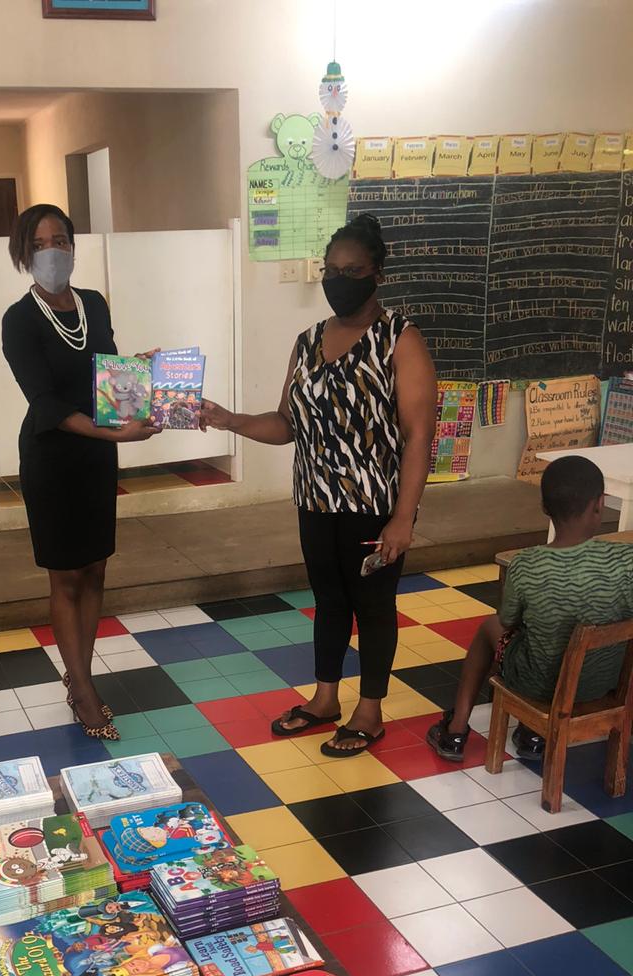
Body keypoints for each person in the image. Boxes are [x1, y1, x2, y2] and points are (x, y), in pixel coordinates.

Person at [201, 214, 437, 757]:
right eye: (331, 270)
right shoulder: (307, 342)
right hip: (314, 500)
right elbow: (288, 424)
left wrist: (404, 517)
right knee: (329, 602)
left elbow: (419, 437)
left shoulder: (401, 341)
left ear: (377, 272)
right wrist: (231, 419)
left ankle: (370, 712)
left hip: (374, 507)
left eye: (351, 270)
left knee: (373, 606)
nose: (338, 280)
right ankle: (325, 699)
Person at [1, 204, 160, 740]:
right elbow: (44, 401)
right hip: (52, 456)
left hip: (95, 456)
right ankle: (83, 686)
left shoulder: (93, 303)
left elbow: (106, 374)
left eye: (62, 240)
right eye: (42, 241)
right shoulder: (18, 319)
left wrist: (140, 372)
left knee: (94, 568)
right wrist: (107, 433)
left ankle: (80, 675)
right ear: (24, 251)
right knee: (65, 574)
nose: (54, 250)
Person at [427, 456, 633, 761]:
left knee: (490, 628)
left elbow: (509, 620)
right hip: (607, 684)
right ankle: (531, 735)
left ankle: (456, 730)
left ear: (545, 508)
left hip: (539, 685)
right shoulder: (625, 560)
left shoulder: (527, 565)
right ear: (600, 504)